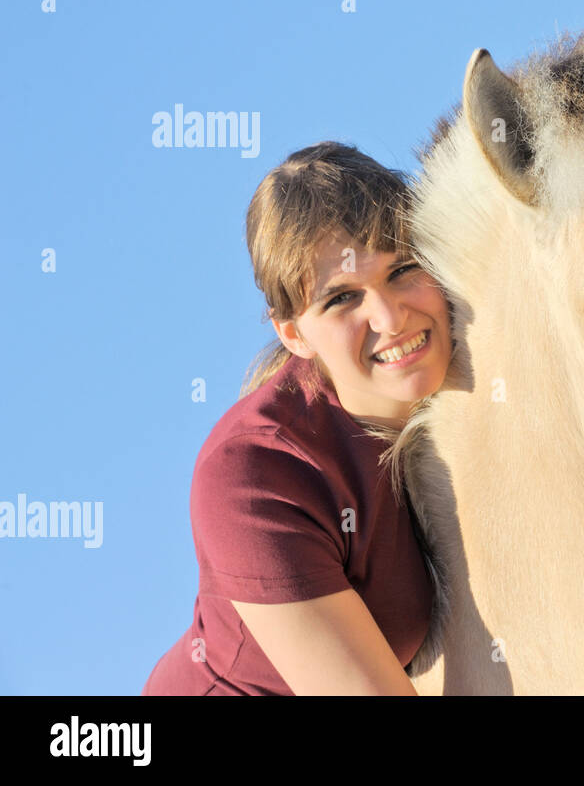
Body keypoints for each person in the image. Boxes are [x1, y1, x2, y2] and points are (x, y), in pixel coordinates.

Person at [141, 141, 454, 695]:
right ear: (292, 333)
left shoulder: (473, 372)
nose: (389, 316)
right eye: (341, 299)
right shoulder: (255, 473)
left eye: (403, 269)